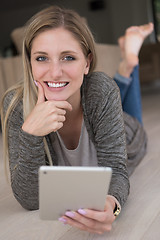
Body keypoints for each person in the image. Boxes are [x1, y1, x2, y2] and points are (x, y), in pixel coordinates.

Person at [0, 5, 152, 234]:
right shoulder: (16, 104)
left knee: (123, 109)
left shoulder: (99, 90)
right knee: (102, 92)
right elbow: (31, 199)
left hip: (129, 131)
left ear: (87, 62)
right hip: (94, 96)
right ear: (30, 63)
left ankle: (129, 63)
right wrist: (30, 134)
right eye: (42, 58)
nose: (54, 72)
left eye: (68, 57)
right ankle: (125, 65)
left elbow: (118, 171)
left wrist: (113, 205)